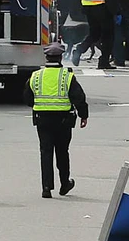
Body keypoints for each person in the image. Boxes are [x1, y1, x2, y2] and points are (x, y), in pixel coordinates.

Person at [30, 43, 89, 198]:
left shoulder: (36, 75)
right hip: (63, 120)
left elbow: (27, 97)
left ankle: (46, 187)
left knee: (45, 151)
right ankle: (64, 183)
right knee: (62, 152)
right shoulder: (67, 76)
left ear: (46, 57)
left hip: (42, 119)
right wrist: (84, 115)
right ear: (61, 57)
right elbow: (79, 97)